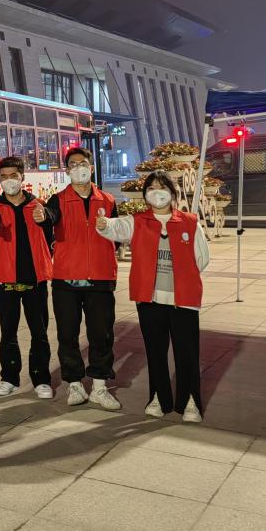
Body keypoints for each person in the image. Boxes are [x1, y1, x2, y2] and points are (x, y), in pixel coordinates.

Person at [97, 171, 209, 422]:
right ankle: (158, 397)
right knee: (155, 352)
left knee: (187, 353)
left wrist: (182, 279)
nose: (157, 192)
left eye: (162, 187)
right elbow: (115, 227)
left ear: (172, 193)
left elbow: (202, 258)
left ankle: (190, 401)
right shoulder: (138, 221)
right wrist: (103, 224)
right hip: (150, 300)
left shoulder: (190, 222)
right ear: (145, 194)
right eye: (151, 188)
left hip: (184, 300)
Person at [45, 146, 121, 410]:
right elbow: (47, 222)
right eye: (73, 165)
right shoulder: (57, 200)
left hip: (100, 277)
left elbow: (117, 235)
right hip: (66, 279)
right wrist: (42, 217)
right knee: (68, 334)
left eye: (83, 163)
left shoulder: (108, 201)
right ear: (67, 171)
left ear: (91, 167)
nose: (78, 168)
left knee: (101, 334)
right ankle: (75, 383)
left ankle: (99, 386)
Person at [0, 156, 54, 399]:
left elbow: (51, 236)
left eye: (13, 176)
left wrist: (45, 218)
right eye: (3, 177)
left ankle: (41, 380)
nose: (9, 181)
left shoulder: (38, 205)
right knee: (8, 332)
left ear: (22, 177)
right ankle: (9, 378)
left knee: (39, 332)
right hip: (5, 280)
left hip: (35, 279)